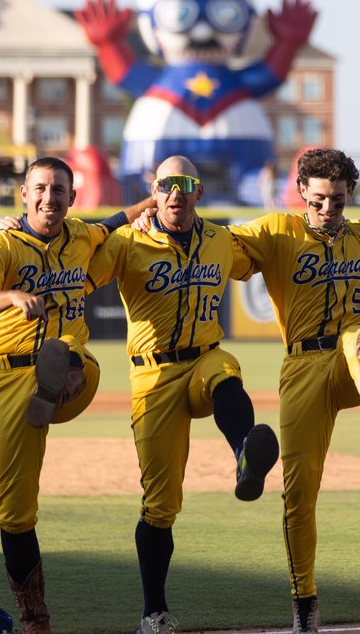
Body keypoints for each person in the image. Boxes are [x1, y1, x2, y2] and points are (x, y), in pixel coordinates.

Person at [0, 157, 150, 633]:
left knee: (68, 351)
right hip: (9, 379)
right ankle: (35, 618)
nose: (49, 198)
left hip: (74, 369)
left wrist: (157, 199)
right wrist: (11, 297)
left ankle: (60, 375)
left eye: (59, 190)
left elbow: (114, 222)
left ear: (72, 198)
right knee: (15, 510)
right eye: (40, 188)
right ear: (24, 193)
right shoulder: (2, 243)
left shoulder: (81, 236)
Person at [87, 156, 279, 634]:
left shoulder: (219, 240)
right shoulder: (127, 242)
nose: (176, 193)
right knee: (160, 503)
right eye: (166, 185)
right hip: (152, 377)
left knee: (225, 370)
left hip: (203, 358)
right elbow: (79, 264)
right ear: (154, 191)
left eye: (185, 184)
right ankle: (154, 611)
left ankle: (245, 456)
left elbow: (267, 253)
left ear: (199, 192)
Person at [226, 148, 360, 634]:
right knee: (298, 494)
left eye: (338, 202)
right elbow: (219, 246)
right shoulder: (276, 230)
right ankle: (304, 602)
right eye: (319, 199)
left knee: (356, 334)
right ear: (302, 190)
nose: (328, 210)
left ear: (350, 196)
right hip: (301, 366)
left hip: (345, 360)